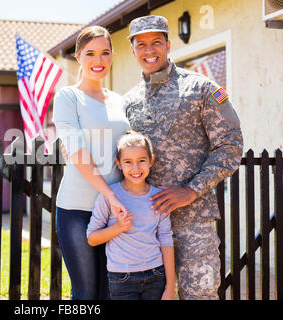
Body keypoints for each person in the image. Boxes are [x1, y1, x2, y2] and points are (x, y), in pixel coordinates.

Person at [123, 15, 244, 299]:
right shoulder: (128, 101)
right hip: (146, 225)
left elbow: (231, 145)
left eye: (156, 42)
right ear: (133, 50)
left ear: (167, 44)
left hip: (194, 223)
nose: (149, 50)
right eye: (141, 44)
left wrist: (191, 190)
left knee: (199, 295)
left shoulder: (201, 89)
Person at [52, 26, 130, 300]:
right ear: (78, 57)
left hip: (114, 211)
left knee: (111, 291)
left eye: (105, 53)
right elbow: (77, 152)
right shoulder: (68, 97)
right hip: (77, 209)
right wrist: (110, 195)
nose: (98, 61)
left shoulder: (121, 101)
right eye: (91, 54)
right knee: (85, 293)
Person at [87, 130, 175, 300]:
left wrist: (170, 287)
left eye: (141, 160)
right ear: (118, 163)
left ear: (151, 161)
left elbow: (166, 239)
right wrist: (118, 227)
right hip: (121, 278)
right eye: (128, 162)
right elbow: (92, 238)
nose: (135, 168)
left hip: (156, 275)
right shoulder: (110, 197)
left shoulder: (158, 197)